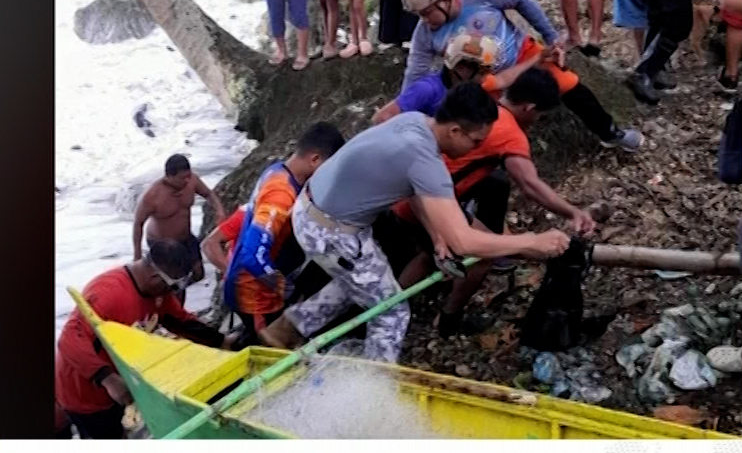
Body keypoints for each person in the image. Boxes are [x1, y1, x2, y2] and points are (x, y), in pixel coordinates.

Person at [255, 84, 573, 362]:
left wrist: (437, 237)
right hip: (332, 232)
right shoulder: (426, 161)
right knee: (392, 310)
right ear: (455, 131)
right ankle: (372, 391)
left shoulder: (414, 122)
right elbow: (465, 241)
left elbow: (416, 195)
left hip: (312, 210)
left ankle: (283, 332)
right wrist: (531, 241)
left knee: (360, 281)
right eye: (475, 142)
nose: (477, 149)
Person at [379, 70, 597, 334]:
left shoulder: (485, 111)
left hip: (410, 195)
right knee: (480, 259)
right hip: (424, 203)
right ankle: (447, 319)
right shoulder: (510, 134)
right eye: (540, 116)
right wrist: (572, 212)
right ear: (529, 107)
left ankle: (390, 311)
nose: (537, 122)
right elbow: (530, 185)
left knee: (428, 254)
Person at [399, 0, 643, 152]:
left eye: (426, 12)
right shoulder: (424, 34)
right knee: (488, 128)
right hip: (485, 82)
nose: (425, 20)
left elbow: (522, 1)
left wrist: (552, 39)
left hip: (523, 55)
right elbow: (415, 74)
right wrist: (405, 114)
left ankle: (609, 132)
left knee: (569, 85)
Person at [56, 240, 227, 439]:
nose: (172, 293)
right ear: (155, 276)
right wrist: (108, 379)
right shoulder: (108, 292)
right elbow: (69, 340)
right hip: (86, 388)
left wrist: (221, 341)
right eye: (173, 286)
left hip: (123, 380)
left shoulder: (157, 292)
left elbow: (178, 320)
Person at [215, 122, 346, 347]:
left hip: (261, 288)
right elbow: (253, 254)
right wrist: (281, 286)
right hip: (254, 296)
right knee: (270, 350)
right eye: (329, 166)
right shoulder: (280, 194)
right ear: (314, 159)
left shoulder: (279, 170)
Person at [372, 32, 545, 125]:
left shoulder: (469, 88)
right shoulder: (427, 89)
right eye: (482, 70)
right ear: (461, 67)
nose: (486, 76)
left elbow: (505, 79)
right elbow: (382, 118)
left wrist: (538, 57)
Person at [133, 154, 225, 284]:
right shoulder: (152, 196)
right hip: (163, 244)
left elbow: (208, 194)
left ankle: (179, 291)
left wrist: (219, 210)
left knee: (199, 273)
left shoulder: (192, 180)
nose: (187, 180)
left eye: (188, 176)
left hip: (185, 238)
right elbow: (138, 224)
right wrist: (137, 255)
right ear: (169, 176)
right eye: (182, 178)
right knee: (173, 279)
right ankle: (175, 297)